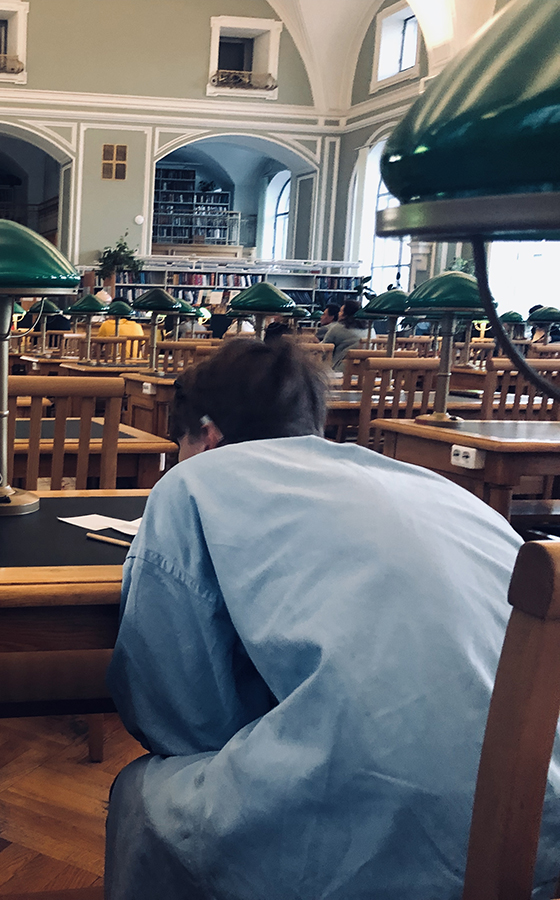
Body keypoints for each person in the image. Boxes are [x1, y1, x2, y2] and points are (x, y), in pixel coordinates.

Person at [104, 338, 560, 900]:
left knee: (143, 791)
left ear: (209, 435)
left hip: (391, 835)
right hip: (539, 819)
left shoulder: (194, 481)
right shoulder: (430, 484)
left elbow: (180, 716)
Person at [320, 297, 366, 370]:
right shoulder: (370, 329)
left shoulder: (339, 328)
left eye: (341, 311)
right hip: (366, 368)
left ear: (346, 315)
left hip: (342, 369)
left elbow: (323, 348)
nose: (338, 314)